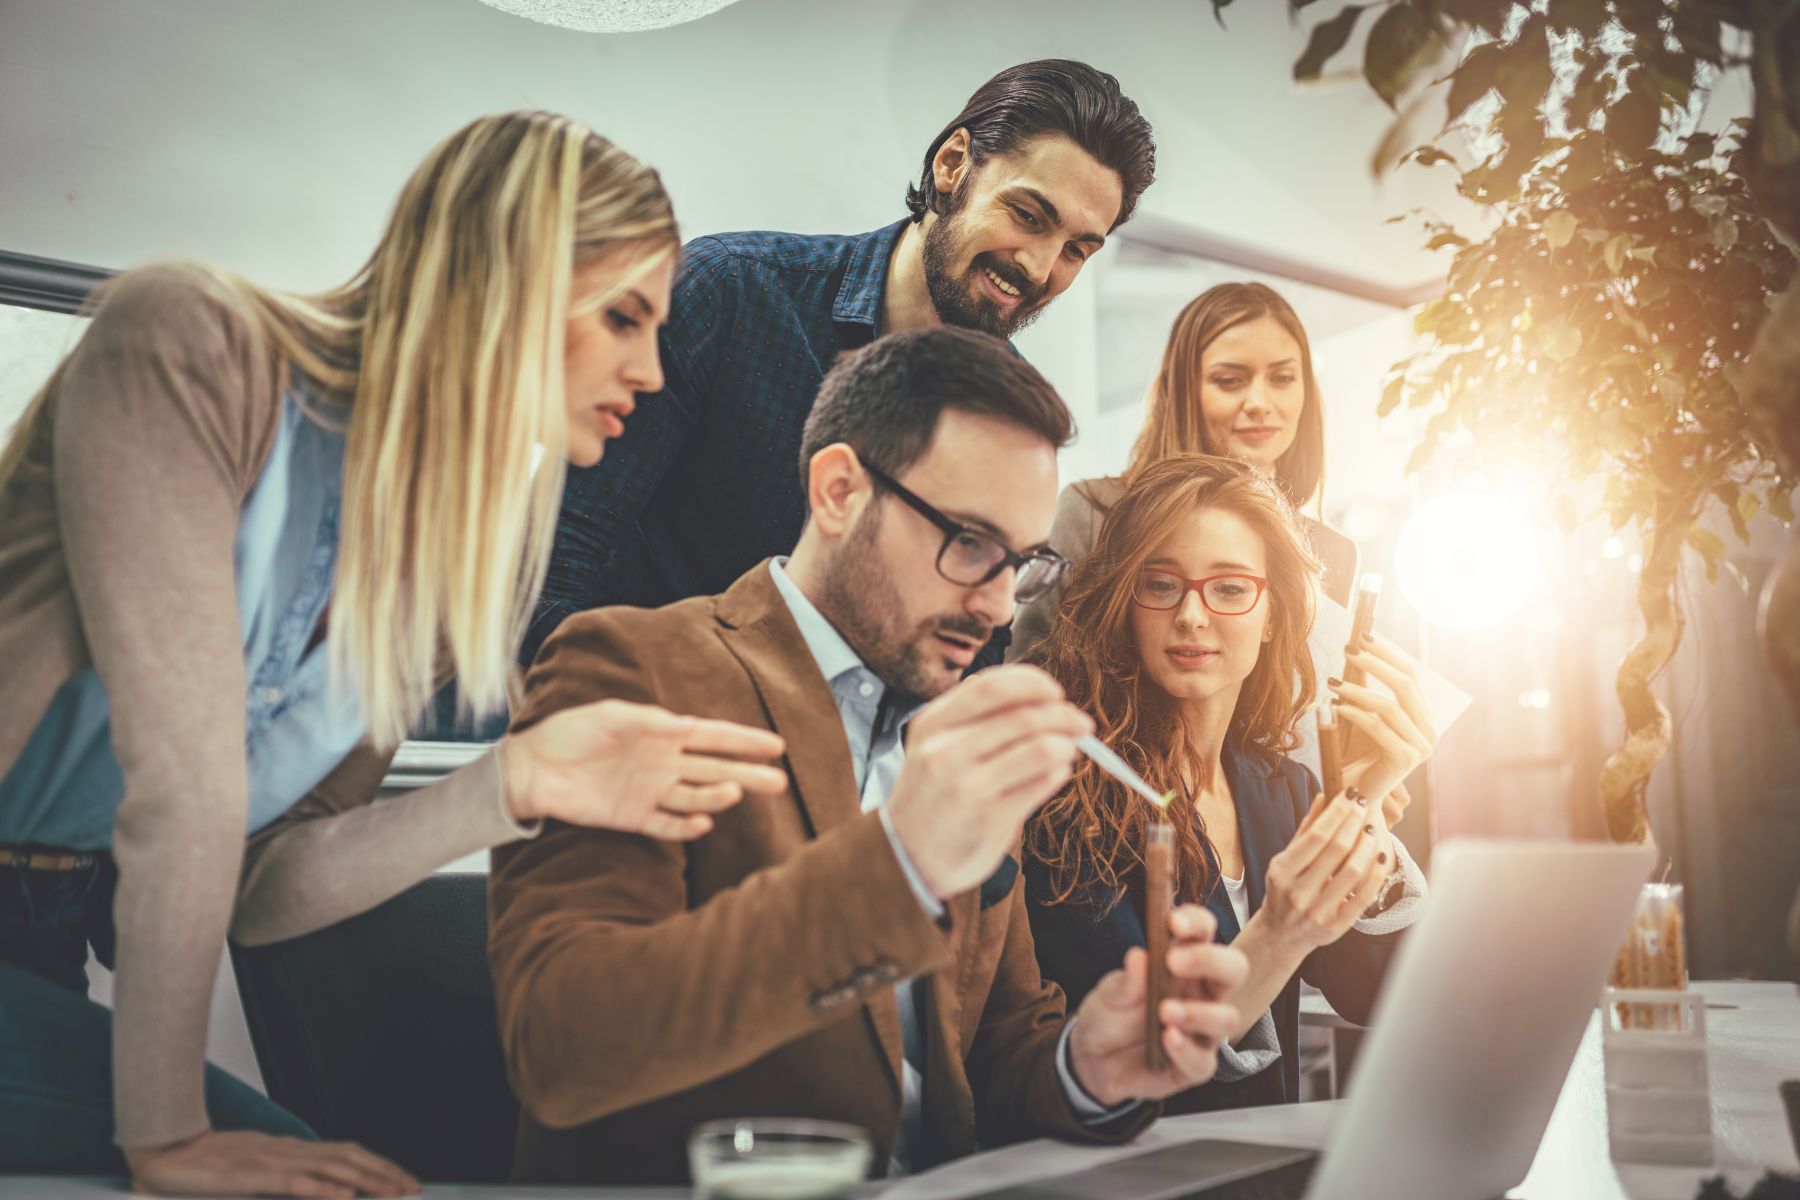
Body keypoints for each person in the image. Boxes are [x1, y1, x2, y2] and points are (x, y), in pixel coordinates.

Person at [0, 111, 787, 1196]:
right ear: (512, 271)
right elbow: (182, 790)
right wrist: (169, 1139)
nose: (651, 370)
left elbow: (258, 887)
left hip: (43, 932)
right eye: (622, 316)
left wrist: (509, 785)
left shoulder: (443, 554)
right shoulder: (189, 341)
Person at [488, 329, 1249, 1185]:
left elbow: (998, 1054)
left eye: (1022, 564)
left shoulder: (958, 730)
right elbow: (563, 1050)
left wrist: (1089, 1070)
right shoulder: (637, 668)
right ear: (839, 490)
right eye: (968, 542)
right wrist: (901, 861)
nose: (998, 609)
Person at [523, 58, 1156, 669]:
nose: (1041, 267)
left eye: (1076, 249)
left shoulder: (1014, 420)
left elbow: (975, 651)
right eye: (1027, 215)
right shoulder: (732, 294)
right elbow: (553, 562)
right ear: (953, 164)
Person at [1021, 454, 1436, 1112]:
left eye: (1231, 588)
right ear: (1124, 603)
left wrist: (1363, 805)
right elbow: (1153, 1059)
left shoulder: (1283, 790)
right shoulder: (1071, 792)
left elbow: (1379, 991)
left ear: (1272, 613)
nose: (1191, 614)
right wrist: (1280, 932)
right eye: (1160, 585)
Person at [1011, 282, 1356, 661]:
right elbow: (1025, 670)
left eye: (1282, 378)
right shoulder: (1095, 513)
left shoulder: (1330, 554)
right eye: (1230, 380)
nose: (1259, 402)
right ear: (1184, 390)